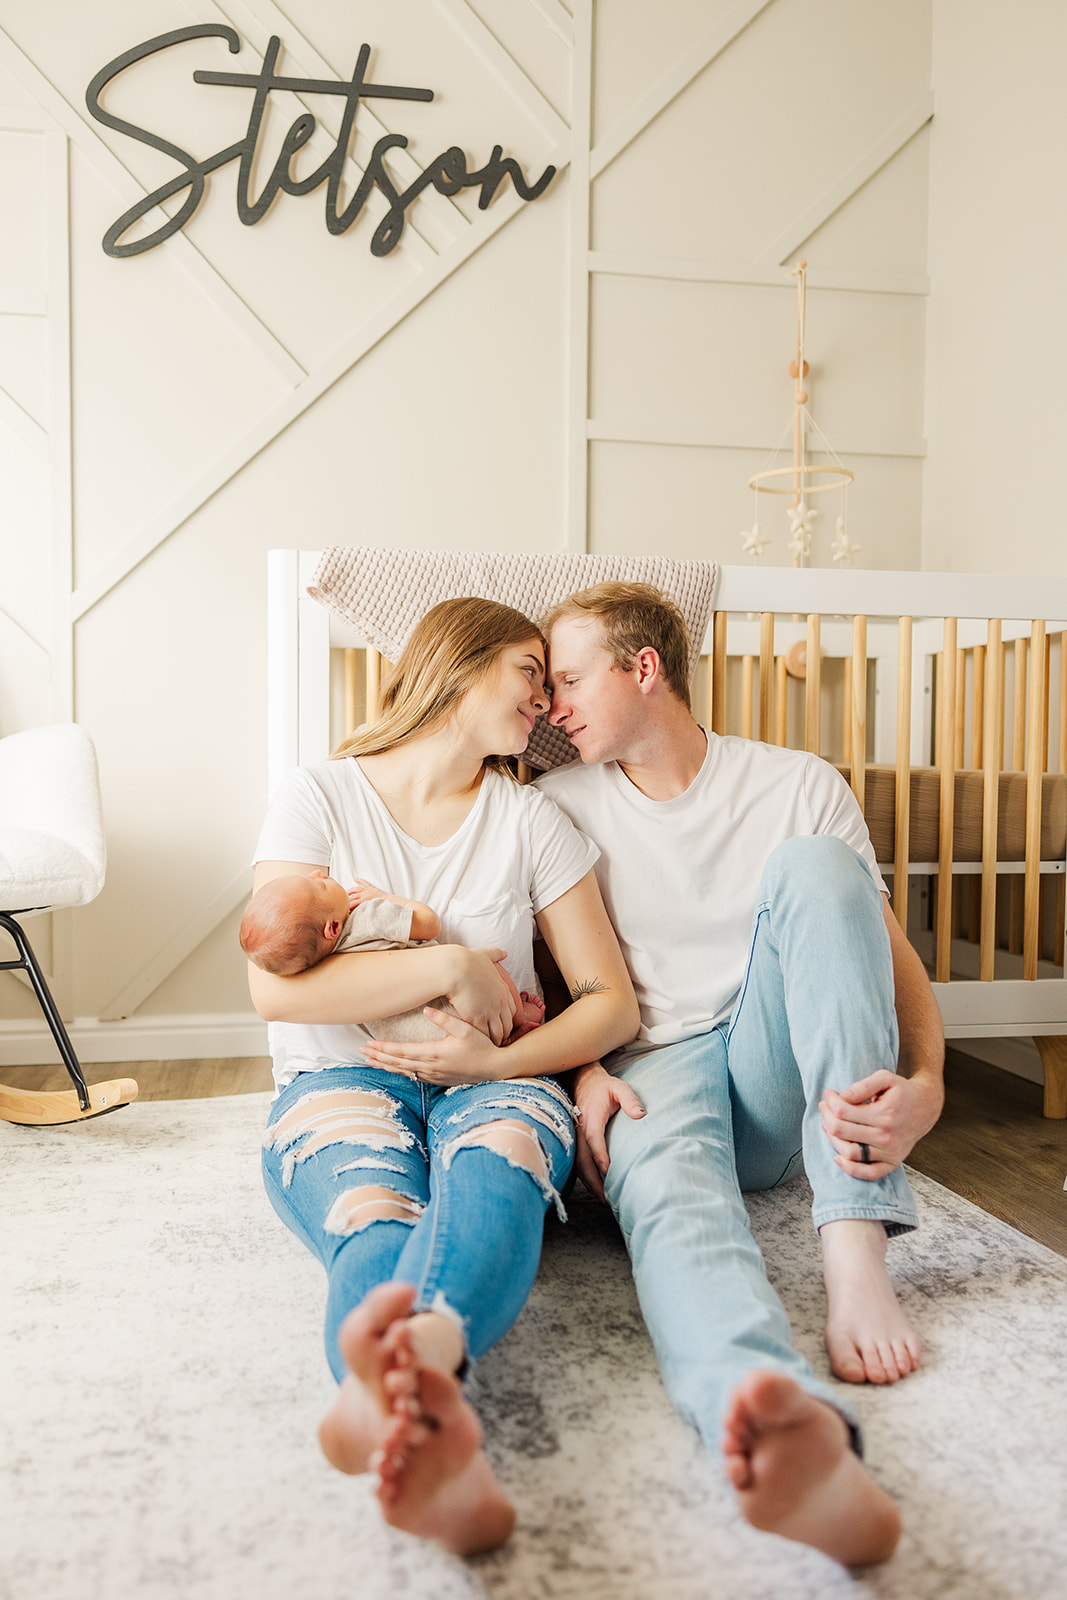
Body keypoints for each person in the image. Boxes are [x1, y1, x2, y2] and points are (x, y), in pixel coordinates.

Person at [530, 580, 946, 1567]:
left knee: (813, 865)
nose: (553, 707)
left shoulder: (796, 782)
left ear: (645, 669)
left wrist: (927, 1085)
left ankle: (854, 1254)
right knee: (675, 1214)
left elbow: (888, 961)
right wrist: (583, 1070)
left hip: (773, 1075)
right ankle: (775, 1422)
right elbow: (545, 976)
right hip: (650, 1070)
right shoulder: (555, 804)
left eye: (569, 679)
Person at [246, 596, 639, 1558]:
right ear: (457, 665)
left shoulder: (531, 820)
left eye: (552, 682)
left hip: (492, 1081)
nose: (545, 701)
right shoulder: (319, 793)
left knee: (491, 1183)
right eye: (527, 671)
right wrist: (452, 965)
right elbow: (273, 987)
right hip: (343, 1078)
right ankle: (428, 1425)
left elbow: (607, 1003)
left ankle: (388, 1399)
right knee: (373, 1212)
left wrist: (496, 1060)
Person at [239, 870, 546, 1040]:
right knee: (484, 964)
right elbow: (429, 923)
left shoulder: (329, 969)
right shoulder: (369, 917)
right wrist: (385, 898)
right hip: (460, 1012)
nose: (320, 873)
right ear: (332, 927)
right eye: (318, 885)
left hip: (414, 1040)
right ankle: (518, 1018)